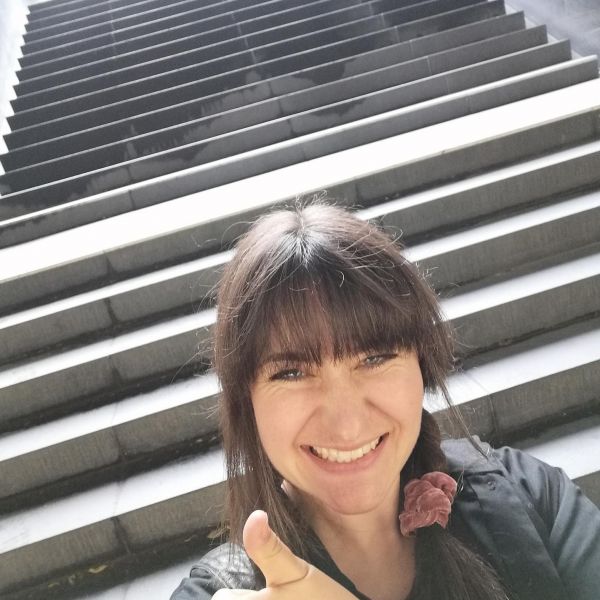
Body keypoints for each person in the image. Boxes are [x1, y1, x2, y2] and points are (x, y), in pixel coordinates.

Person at [171, 204, 600, 600]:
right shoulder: (216, 594)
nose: (347, 424)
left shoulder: (530, 497)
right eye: (291, 373)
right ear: (246, 402)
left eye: (374, 358)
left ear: (423, 366)